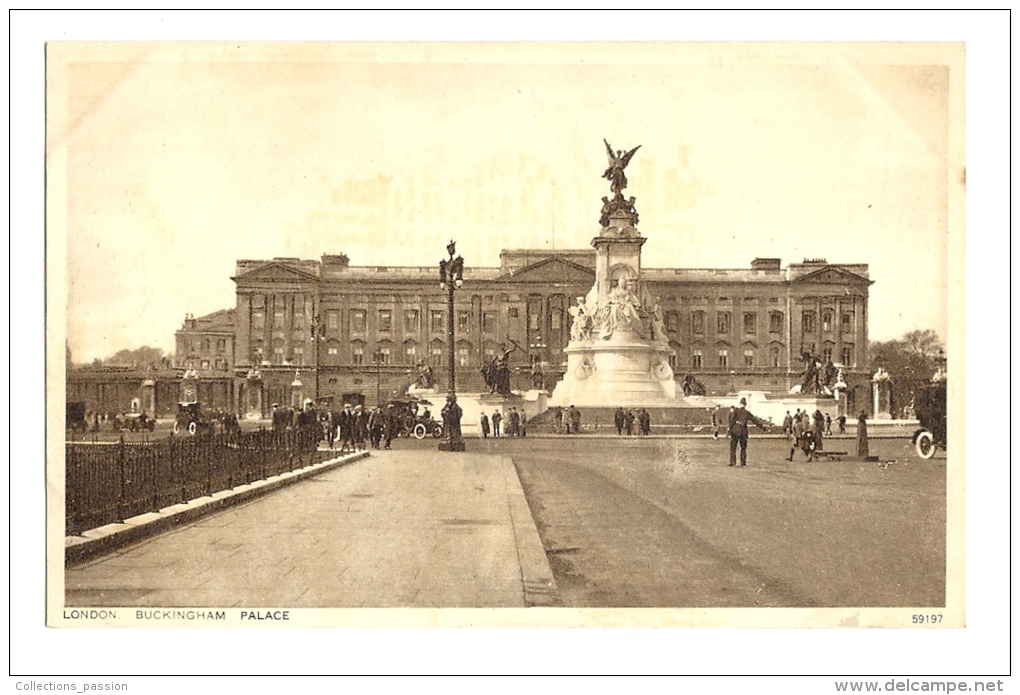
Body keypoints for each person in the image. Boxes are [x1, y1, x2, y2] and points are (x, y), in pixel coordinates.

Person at [728, 397, 768, 466]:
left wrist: (730, 429)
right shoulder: (747, 413)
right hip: (743, 431)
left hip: (735, 431)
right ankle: (743, 462)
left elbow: (732, 421)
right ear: (745, 405)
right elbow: (754, 420)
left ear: (740, 404)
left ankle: (732, 462)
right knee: (743, 448)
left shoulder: (736, 411)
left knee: (733, 447)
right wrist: (762, 427)